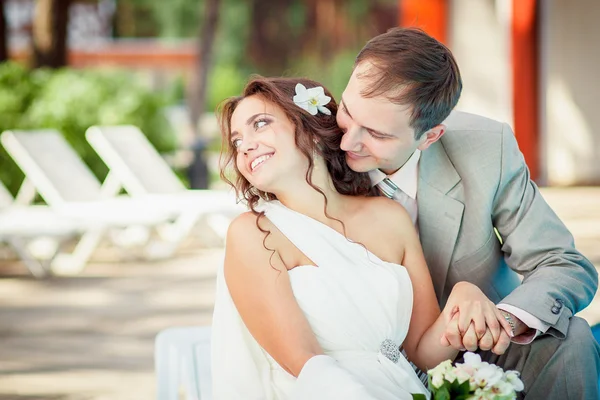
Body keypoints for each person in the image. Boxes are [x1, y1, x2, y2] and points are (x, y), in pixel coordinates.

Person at [336, 27, 599, 399]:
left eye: (377, 134)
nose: (347, 140)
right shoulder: (315, 149)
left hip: (485, 347)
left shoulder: (488, 149)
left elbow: (563, 262)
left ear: (429, 137)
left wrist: (502, 319)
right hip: (373, 355)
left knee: (572, 337)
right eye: (347, 110)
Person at [210, 76, 514, 399]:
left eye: (260, 124)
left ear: (310, 126)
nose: (246, 147)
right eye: (237, 141)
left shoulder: (390, 218)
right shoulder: (254, 233)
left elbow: (422, 355)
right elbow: (306, 364)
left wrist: (464, 298)